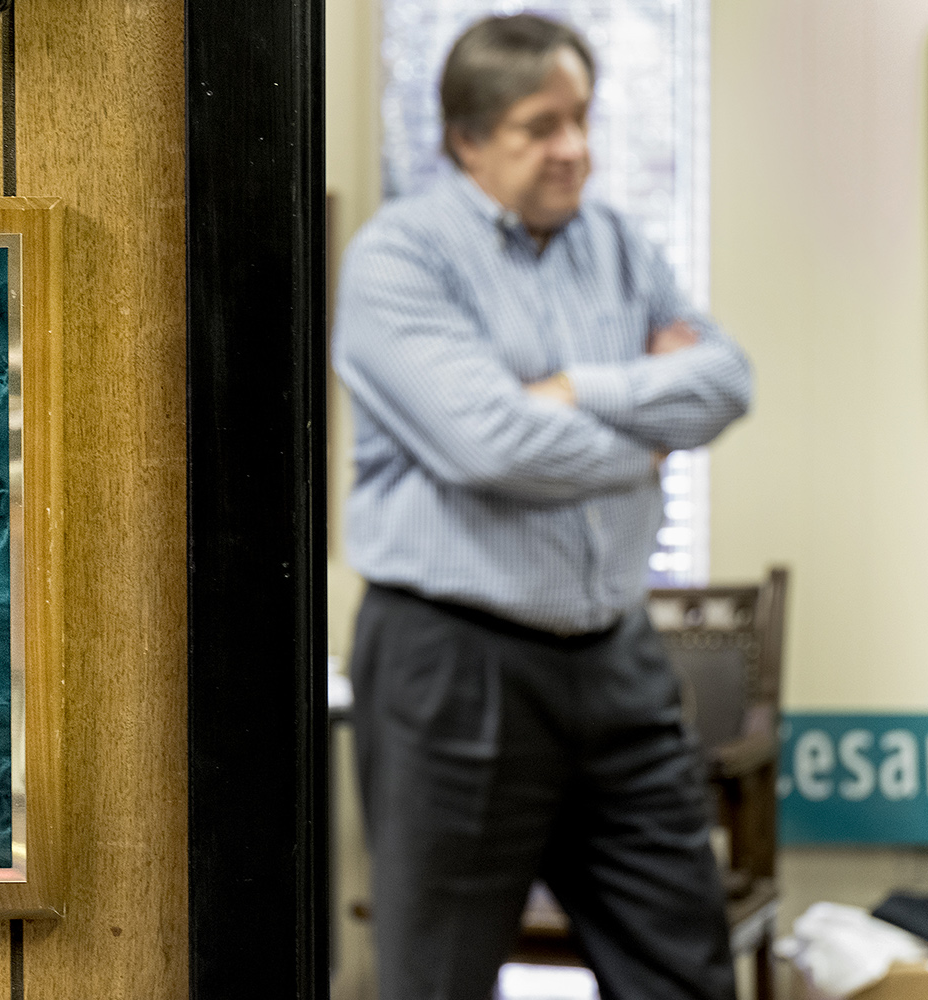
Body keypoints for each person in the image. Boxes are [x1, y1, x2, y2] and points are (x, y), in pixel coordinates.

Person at [332, 13, 752, 1000]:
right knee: (439, 979)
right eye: (540, 125)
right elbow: (489, 443)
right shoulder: (401, 258)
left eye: (582, 118)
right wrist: (649, 426)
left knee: (686, 968)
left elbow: (727, 381)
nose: (575, 148)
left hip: (616, 657)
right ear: (466, 140)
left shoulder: (618, 245)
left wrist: (577, 391)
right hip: (455, 665)